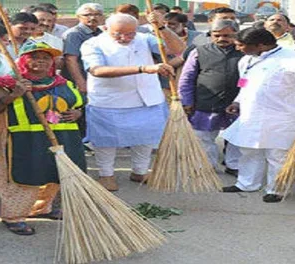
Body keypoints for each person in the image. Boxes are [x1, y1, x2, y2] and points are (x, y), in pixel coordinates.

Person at [0, 41, 85, 234]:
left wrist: (77, 114)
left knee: (54, 174)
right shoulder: (8, 84)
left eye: (46, 58)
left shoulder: (64, 83)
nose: (41, 61)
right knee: (22, 177)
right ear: (22, 60)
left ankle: (41, 208)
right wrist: (14, 95)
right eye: (34, 57)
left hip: (61, 137)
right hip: (21, 140)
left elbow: (77, 105)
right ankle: (13, 216)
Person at [81, 13, 185, 191]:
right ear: (106, 29)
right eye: (118, 34)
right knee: (106, 141)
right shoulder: (93, 44)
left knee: (145, 138)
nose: (125, 38)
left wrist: (161, 28)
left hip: (147, 97)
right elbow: (97, 70)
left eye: (130, 34)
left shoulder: (145, 38)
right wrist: (143, 68)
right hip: (110, 100)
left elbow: (178, 49)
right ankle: (106, 175)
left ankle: (140, 171)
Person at [220, 28, 295, 203]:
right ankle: (246, 183)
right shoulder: (246, 60)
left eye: (242, 45)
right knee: (248, 150)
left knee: (277, 155)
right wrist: (237, 102)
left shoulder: (294, 59)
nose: (238, 48)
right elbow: (244, 84)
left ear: (261, 45)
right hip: (250, 115)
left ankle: (276, 189)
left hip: (280, 117)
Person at [179, 19, 243, 175]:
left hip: (237, 103)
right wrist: (186, 101)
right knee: (204, 137)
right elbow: (187, 78)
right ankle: (207, 166)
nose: (222, 39)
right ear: (211, 35)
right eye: (217, 35)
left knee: (237, 137)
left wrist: (242, 95)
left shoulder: (244, 53)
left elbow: (247, 78)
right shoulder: (199, 52)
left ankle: (234, 166)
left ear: (236, 34)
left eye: (227, 35)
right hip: (206, 102)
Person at [62, 3, 104, 93]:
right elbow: (70, 60)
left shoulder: (101, 33)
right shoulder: (74, 34)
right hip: (82, 81)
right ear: (78, 17)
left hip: (97, 80)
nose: (93, 18)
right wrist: (80, 82)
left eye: (97, 14)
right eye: (87, 15)